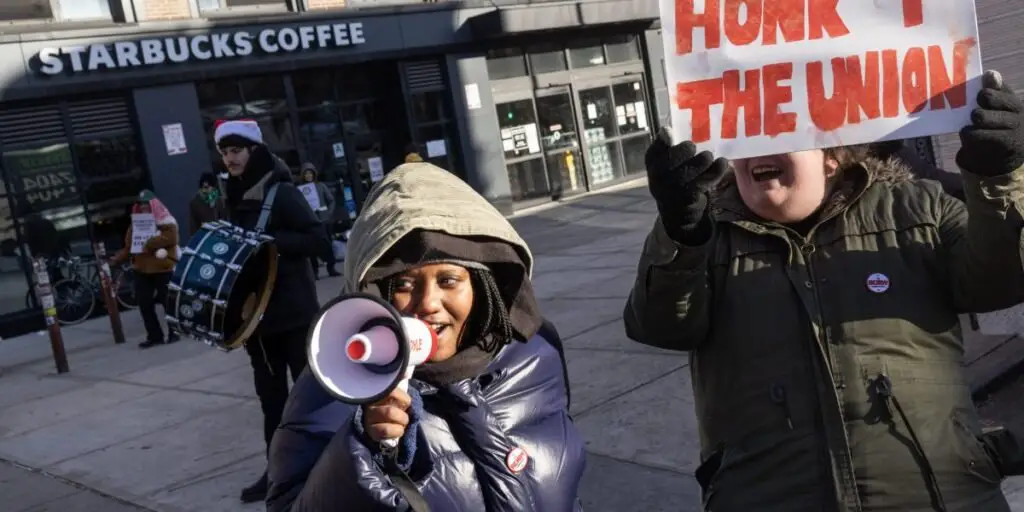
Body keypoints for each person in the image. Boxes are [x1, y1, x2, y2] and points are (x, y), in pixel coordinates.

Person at [624, 70, 1024, 511]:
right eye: (743, 136)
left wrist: (1000, 178)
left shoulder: (920, 209)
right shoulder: (707, 237)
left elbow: (1002, 282)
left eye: (779, 131)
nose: (758, 147)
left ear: (831, 153)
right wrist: (679, 232)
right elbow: (660, 326)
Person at [264, 162, 585, 511]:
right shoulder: (334, 383)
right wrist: (366, 449)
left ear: (484, 286)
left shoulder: (535, 350)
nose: (428, 304)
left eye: (448, 281)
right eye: (403, 284)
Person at [213, 119, 329, 504]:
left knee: (313, 397)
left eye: (237, 151)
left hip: (294, 316)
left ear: (254, 151)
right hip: (257, 324)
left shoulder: (281, 192)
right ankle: (277, 472)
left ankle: (330, 466)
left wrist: (271, 243)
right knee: (271, 403)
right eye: (225, 152)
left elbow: (318, 239)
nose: (230, 158)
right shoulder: (232, 192)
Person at [110, 190, 181, 349]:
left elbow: (171, 239)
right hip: (141, 269)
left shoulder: (166, 220)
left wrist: (149, 242)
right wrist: (118, 258)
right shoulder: (136, 224)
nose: (143, 208)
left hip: (162, 269)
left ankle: (174, 332)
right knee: (144, 303)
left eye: (146, 204)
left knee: (167, 302)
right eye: (140, 205)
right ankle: (154, 335)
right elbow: (129, 246)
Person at [299, 162, 340, 278]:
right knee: (312, 248)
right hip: (310, 222)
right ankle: (315, 271)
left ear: (314, 174)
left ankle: (331, 268)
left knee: (327, 245)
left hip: (323, 220)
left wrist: (328, 213)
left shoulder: (321, 186)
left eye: (310, 173)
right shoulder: (300, 189)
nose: (308, 176)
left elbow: (331, 200)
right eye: (306, 174)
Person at [187, 172, 227, 238]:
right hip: (205, 235)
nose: (205, 190)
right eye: (203, 187)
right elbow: (193, 225)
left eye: (207, 187)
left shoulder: (219, 200)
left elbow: (224, 218)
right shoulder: (195, 202)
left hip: (220, 234)